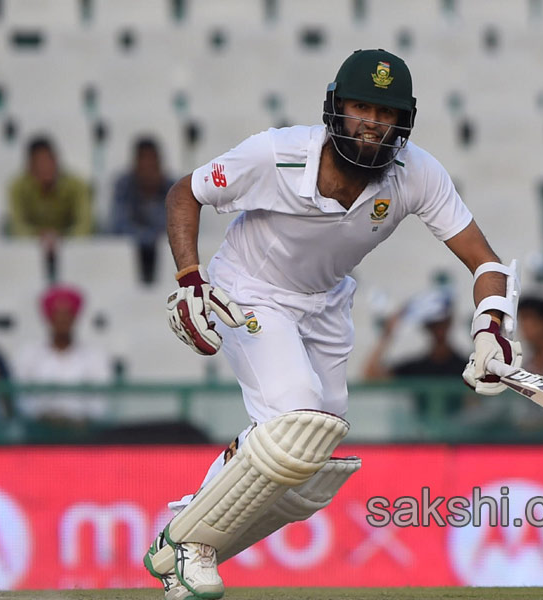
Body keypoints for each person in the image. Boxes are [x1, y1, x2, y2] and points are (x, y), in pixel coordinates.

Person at [144, 49, 523, 599]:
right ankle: (192, 544)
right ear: (336, 107)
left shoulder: (415, 173)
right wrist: (189, 278)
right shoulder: (277, 154)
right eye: (360, 107)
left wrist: (491, 330)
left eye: (386, 113)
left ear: (403, 122)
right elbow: (187, 191)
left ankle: (182, 539)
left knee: (309, 457)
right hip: (249, 289)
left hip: (324, 305)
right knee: (294, 414)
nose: (372, 123)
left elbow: (484, 260)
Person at [361, 288, 470, 417]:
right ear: (426, 326)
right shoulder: (416, 367)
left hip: (459, 434)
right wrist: (388, 334)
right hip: (422, 434)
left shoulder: (466, 366)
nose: (439, 329)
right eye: (434, 324)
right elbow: (370, 375)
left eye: (443, 323)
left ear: (450, 322)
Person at [14, 285, 111, 424]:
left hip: (82, 434)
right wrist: (45, 416)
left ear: (75, 317)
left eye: (68, 313)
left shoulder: (94, 357)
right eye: (58, 313)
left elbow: (101, 401)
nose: (63, 319)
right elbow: (21, 397)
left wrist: (79, 420)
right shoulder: (29, 354)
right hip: (40, 433)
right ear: (49, 317)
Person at [110, 136, 174, 285]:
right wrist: (147, 237)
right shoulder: (123, 185)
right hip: (129, 256)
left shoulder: (174, 188)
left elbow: (175, 226)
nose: (147, 167)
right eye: (143, 161)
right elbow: (117, 225)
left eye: (152, 161)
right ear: (135, 164)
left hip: (166, 253)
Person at [7, 136, 93, 243]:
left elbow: (85, 224)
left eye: (48, 160)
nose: (45, 167)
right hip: (28, 250)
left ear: (56, 160)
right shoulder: (18, 188)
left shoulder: (77, 186)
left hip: (71, 248)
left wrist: (63, 238)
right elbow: (17, 226)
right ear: (30, 166)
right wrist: (38, 236)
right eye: (39, 163)